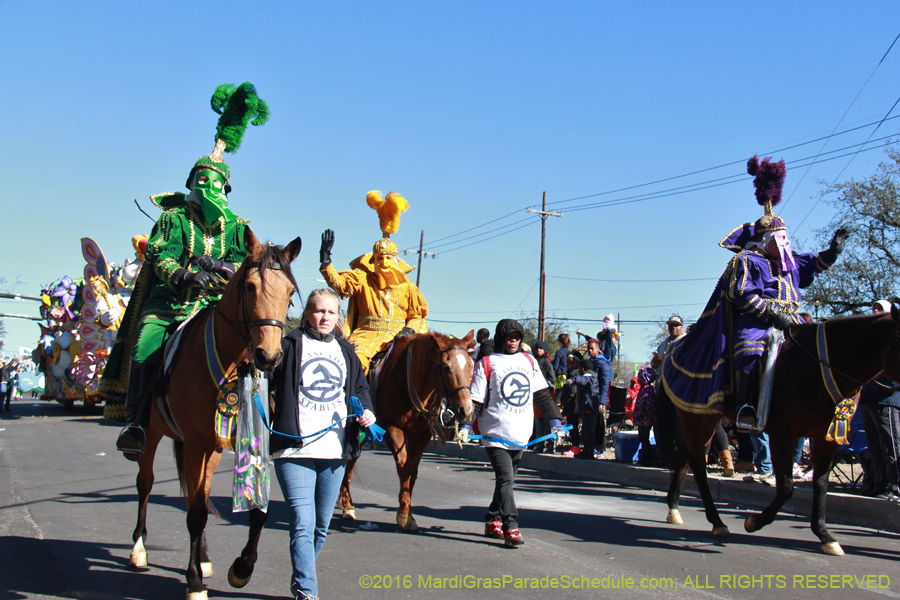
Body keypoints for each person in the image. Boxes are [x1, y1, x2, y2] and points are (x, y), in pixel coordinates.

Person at [101, 83, 268, 459]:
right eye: (201, 181)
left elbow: (248, 264)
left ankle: (259, 426)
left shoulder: (238, 227)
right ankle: (137, 422)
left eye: (216, 183)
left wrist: (223, 268)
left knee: (261, 347)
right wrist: (183, 274)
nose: (208, 186)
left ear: (227, 188)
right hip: (171, 304)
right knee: (145, 345)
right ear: (190, 184)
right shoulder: (175, 218)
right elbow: (159, 255)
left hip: (215, 307)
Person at [661, 155, 847, 429]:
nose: (786, 242)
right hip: (758, 321)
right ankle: (746, 406)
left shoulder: (789, 260)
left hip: (793, 319)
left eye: (787, 237)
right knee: (751, 346)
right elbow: (741, 295)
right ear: (765, 240)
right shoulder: (749, 260)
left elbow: (811, 267)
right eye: (780, 238)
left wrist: (832, 253)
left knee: (821, 344)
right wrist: (772, 314)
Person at [270, 289, 376, 600]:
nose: (324, 317)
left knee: (319, 527)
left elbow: (361, 389)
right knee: (303, 524)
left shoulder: (346, 352)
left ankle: (301, 576)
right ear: (307, 314)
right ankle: (308, 591)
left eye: (331, 312)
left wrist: (367, 412)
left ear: (338, 317)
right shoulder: (289, 345)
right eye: (319, 311)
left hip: (335, 450)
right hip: (294, 448)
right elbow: (265, 373)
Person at [463, 319, 562, 547]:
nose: (514, 340)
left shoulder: (529, 360)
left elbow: (542, 395)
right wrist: (467, 426)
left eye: (517, 336)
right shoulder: (487, 363)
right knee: (506, 479)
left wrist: (555, 420)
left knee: (505, 481)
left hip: (520, 433)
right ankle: (511, 527)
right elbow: (476, 400)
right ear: (501, 338)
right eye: (509, 336)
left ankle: (491, 519)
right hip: (494, 432)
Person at [319, 191, 428, 374]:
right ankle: (352, 400)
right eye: (379, 258)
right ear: (372, 260)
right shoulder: (362, 278)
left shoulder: (407, 286)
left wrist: (409, 330)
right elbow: (339, 284)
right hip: (365, 336)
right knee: (355, 363)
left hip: (399, 337)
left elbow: (418, 316)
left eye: (387, 258)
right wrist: (326, 260)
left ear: (395, 260)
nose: (383, 263)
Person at [858, 299, 900, 501]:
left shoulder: (893, 343)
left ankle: (895, 487)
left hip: (888, 401)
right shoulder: (871, 342)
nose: (874, 311)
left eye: (879, 309)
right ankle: (878, 484)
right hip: (868, 401)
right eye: (873, 308)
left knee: (890, 447)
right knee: (874, 448)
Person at [564, 357, 602, 460]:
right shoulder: (589, 378)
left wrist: (573, 379)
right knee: (585, 432)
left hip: (589, 409)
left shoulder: (590, 378)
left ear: (583, 369)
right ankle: (585, 451)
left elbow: (583, 380)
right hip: (585, 410)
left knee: (589, 432)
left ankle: (590, 452)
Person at [587, 339, 612, 455]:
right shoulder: (590, 362)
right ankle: (592, 446)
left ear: (598, 349)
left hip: (599, 399)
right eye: (589, 348)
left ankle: (600, 448)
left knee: (600, 424)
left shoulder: (602, 364)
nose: (590, 351)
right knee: (592, 424)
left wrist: (602, 402)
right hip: (591, 398)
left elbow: (605, 384)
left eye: (592, 348)